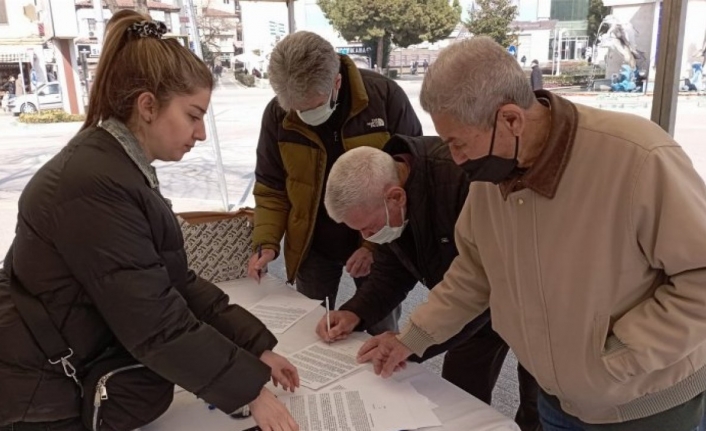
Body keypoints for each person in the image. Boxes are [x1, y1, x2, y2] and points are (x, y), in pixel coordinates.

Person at [356, 35, 706, 431]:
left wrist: (620, 354)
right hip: (556, 399)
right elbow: (473, 273)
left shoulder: (638, 158)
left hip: (644, 405)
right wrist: (412, 337)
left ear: (511, 119)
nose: (455, 159)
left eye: (458, 143)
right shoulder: (491, 175)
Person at [0, 11, 299, 431]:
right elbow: (154, 319)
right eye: (193, 116)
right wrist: (250, 389)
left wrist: (254, 347)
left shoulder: (115, 166)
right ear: (147, 106)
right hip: (37, 389)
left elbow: (173, 280)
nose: (200, 134)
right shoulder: (93, 182)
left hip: (58, 362)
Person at [317, 140, 541, 431]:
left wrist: (411, 340)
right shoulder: (390, 198)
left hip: (529, 299)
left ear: (395, 197)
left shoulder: (463, 181)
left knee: (539, 402)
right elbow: (391, 273)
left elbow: (478, 284)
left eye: (368, 228)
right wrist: (355, 312)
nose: (366, 237)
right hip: (462, 309)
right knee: (458, 399)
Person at [247, 31, 422, 336]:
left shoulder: (384, 97)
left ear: (336, 83)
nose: (304, 116)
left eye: (312, 107)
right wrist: (267, 243)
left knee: (379, 325)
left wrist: (372, 245)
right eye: (297, 110)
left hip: (379, 241)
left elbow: (411, 178)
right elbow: (271, 187)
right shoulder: (277, 113)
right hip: (313, 244)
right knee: (310, 327)